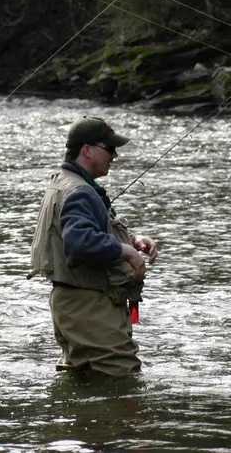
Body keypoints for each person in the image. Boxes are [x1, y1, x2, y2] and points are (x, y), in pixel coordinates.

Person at [29, 117, 158, 376]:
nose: (115, 155)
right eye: (109, 148)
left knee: (83, 380)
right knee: (121, 379)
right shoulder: (80, 191)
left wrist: (131, 241)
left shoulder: (62, 181)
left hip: (71, 304)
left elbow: (74, 234)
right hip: (89, 305)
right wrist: (126, 252)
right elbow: (80, 244)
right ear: (87, 150)